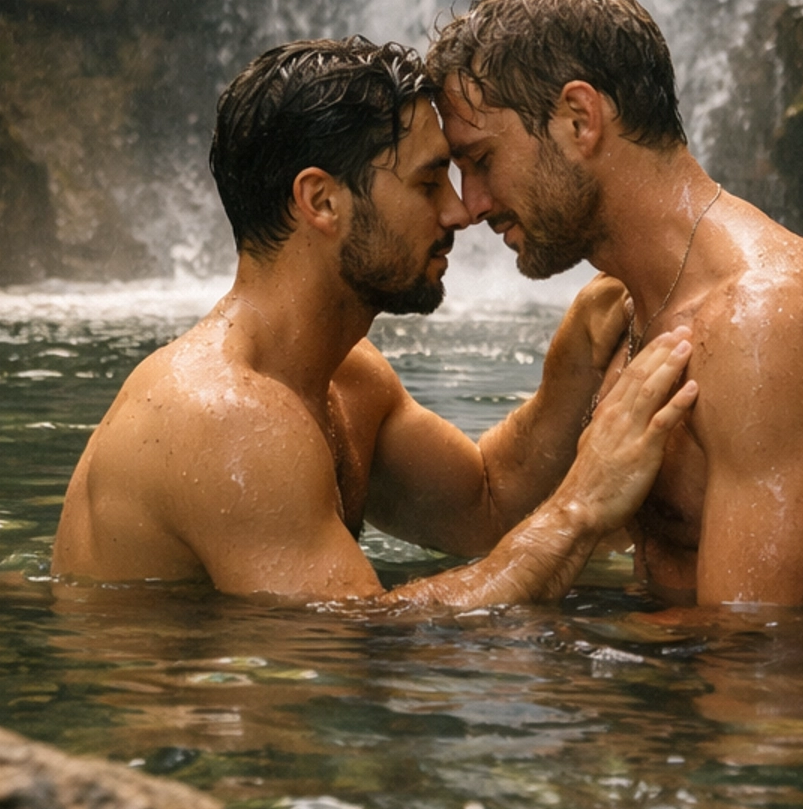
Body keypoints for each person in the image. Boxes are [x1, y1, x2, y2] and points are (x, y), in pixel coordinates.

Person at [52, 37, 696, 603]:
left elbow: (487, 504)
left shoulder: (349, 379)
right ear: (321, 200)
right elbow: (351, 638)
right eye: (427, 184)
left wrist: (579, 354)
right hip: (178, 733)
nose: (460, 212)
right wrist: (582, 507)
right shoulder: (225, 415)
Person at [427, 0, 803, 608]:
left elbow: (758, 664)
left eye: (481, 161)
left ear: (579, 119)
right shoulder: (612, 313)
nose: (470, 205)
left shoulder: (770, 324)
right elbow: (490, 503)